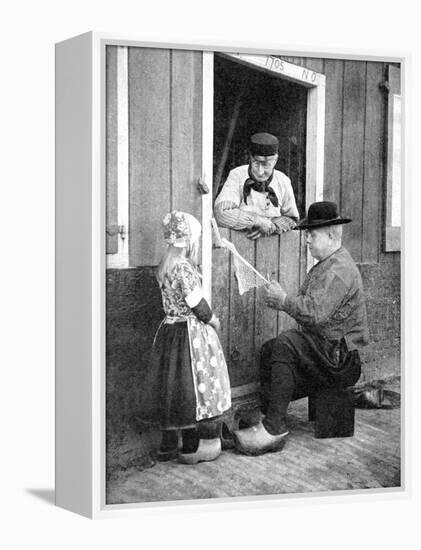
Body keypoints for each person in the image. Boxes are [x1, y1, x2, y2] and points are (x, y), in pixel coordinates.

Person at [233, 201, 369, 456]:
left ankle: (274, 429)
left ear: (331, 235)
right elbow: (312, 312)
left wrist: (284, 301)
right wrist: (285, 301)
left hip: (340, 360)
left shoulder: (338, 269)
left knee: (286, 343)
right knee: (270, 349)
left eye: (312, 235)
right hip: (328, 352)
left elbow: (315, 314)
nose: (307, 240)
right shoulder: (329, 263)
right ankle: (268, 413)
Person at [138, 211, 231, 464]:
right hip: (188, 334)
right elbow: (196, 304)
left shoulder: (165, 265)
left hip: (168, 329)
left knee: (169, 386)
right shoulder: (183, 268)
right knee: (189, 386)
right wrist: (213, 320)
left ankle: (167, 446)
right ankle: (190, 445)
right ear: (188, 240)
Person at [214, 132, 299, 240]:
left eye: (266, 164)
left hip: (273, 247)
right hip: (239, 243)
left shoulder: (283, 181)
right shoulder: (237, 175)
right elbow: (221, 213)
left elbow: (292, 219)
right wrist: (257, 221)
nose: (260, 171)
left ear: (275, 160)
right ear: (250, 158)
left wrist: (272, 226)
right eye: (256, 163)